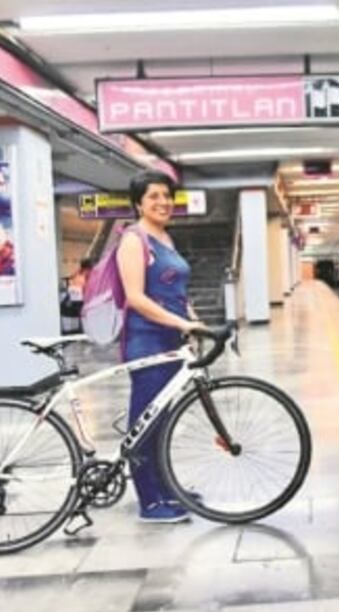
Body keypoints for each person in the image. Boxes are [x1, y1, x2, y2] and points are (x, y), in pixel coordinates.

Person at [117, 171, 207, 523]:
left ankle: (166, 488)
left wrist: (194, 321)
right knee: (146, 423)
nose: (163, 202)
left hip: (170, 341)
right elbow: (136, 298)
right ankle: (149, 502)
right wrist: (181, 322)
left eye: (167, 196)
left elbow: (175, 294)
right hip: (146, 341)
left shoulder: (165, 238)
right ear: (138, 203)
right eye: (154, 196)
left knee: (164, 421)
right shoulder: (133, 240)